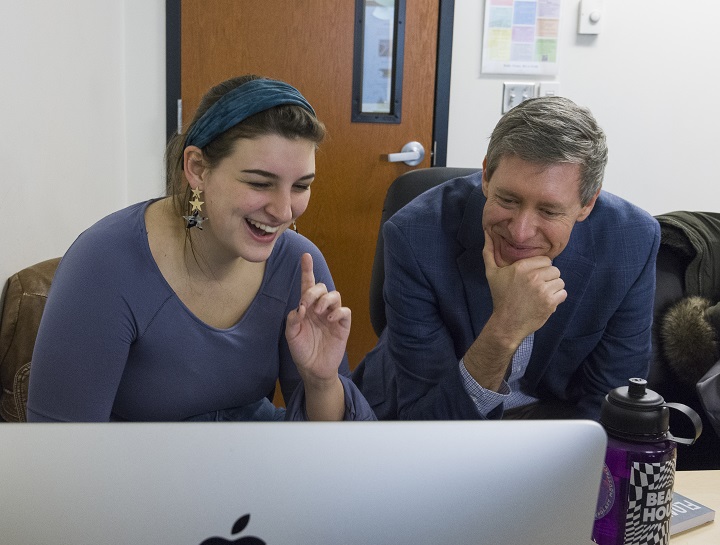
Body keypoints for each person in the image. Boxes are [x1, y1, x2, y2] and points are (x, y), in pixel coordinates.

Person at [27, 75, 375, 422]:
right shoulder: (104, 264)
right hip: (135, 473)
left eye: (300, 186)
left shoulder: (298, 265)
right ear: (197, 168)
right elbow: (60, 451)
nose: (284, 211)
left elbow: (329, 450)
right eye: (259, 183)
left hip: (256, 466)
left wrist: (322, 382)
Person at [354, 96, 660, 421]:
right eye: (508, 199)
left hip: (547, 425)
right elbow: (429, 421)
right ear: (486, 175)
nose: (521, 232)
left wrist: (580, 468)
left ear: (587, 203)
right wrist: (506, 327)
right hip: (416, 418)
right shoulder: (415, 235)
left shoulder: (631, 241)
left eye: (549, 210)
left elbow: (611, 404)